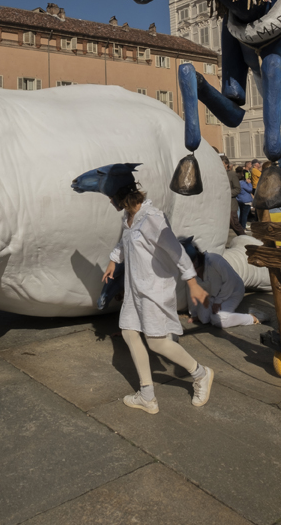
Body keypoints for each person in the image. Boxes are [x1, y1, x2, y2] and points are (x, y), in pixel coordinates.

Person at [100, 172, 213, 415]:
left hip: (154, 289)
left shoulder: (152, 218)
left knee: (157, 343)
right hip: (135, 289)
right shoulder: (129, 216)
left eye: (111, 197)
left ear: (121, 195)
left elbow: (177, 252)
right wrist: (113, 260)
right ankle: (147, 396)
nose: (110, 202)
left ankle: (201, 374)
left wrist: (192, 282)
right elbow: (124, 242)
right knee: (129, 333)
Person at [184, 238, 268, 328]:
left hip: (233, 291)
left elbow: (230, 281)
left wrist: (218, 301)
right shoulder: (189, 273)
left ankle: (253, 317)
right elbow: (191, 292)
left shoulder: (214, 260)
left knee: (218, 320)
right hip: (213, 295)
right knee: (204, 319)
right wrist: (194, 314)